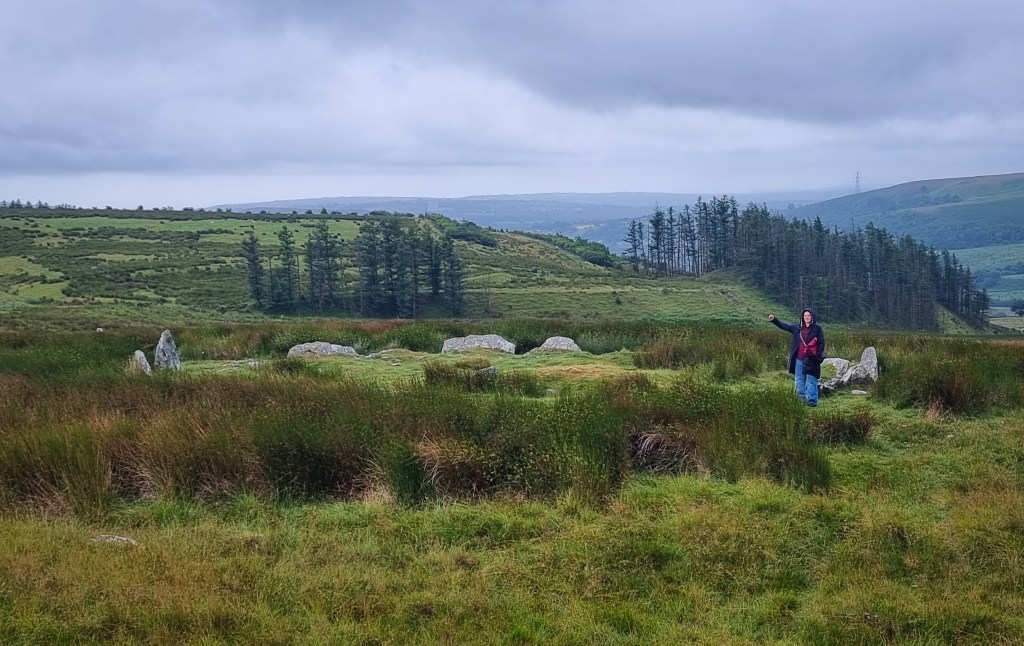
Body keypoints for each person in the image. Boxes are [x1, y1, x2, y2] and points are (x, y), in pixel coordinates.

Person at [768, 309, 825, 406]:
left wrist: (818, 355)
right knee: (799, 379)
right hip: (799, 358)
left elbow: (821, 342)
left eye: (809, 316)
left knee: (811, 379)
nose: (807, 317)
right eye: (805, 316)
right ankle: (800, 400)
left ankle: (812, 401)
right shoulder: (797, 328)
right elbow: (785, 326)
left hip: (812, 359)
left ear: (812, 317)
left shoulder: (817, 329)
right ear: (803, 317)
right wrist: (774, 320)